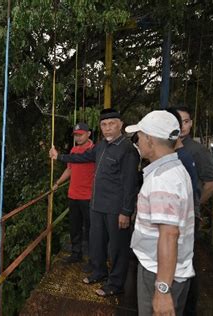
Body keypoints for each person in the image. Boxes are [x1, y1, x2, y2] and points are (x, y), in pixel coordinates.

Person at [49, 108, 140, 297]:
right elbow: (81, 157)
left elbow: (131, 183)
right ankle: (99, 272)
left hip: (116, 209)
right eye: (104, 125)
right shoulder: (100, 146)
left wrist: (126, 211)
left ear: (120, 125)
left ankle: (115, 284)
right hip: (97, 205)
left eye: (112, 124)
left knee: (117, 247)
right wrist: (60, 157)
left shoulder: (127, 150)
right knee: (96, 242)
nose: (107, 128)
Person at [127, 110, 195, 316]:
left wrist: (163, 289)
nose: (136, 140)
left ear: (149, 139)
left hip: (160, 272)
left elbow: (169, 234)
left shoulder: (162, 179)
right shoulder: (175, 169)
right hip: (168, 269)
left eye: (138, 135)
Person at [172, 106, 213, 316]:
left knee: (186, 263)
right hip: (173, 216)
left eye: (186, 121)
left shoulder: (197, 150)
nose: (182, 125)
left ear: (191, 124)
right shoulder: (170, 148)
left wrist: (194, 206)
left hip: (188, 217)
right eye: (178, 121)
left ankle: (188, 308)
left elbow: (212, 183)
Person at [53, 122, 95, 264]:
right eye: (76, 135)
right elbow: (70, 169)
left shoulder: (94, 150)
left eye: (80, 134)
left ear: (88, 134)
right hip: (73, 195)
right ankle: (76, 254)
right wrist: (58, 182)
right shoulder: (73, 150)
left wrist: (58, 156)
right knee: (74, 227)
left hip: (89, 197)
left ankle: (93, 259)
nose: (78, 137)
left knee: (91, 229)